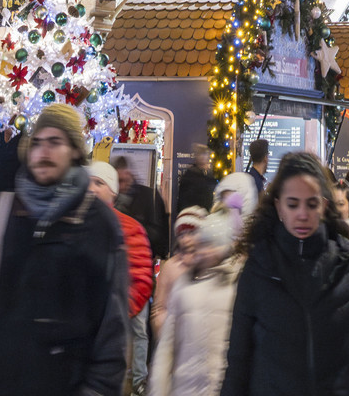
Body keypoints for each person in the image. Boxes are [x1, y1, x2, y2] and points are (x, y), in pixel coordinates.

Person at [0, 101, 128, 396]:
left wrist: (99, 389)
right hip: (0, 382)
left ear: (75, 150)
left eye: (56, 142)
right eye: (38, 142)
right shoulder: (2, 212)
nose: (44, 151)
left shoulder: (98, 222)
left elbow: (111, 324)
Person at [219, 150, 349, 396]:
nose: (302, 214)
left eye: (311, 204)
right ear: (279, 206)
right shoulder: (258, 270)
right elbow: (238, 361)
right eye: (293, 204)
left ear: (324, 206)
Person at [150, 206, 241, 396]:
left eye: (214, 244)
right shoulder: (183, 284)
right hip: (185, 387)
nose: (207, 251)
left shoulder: (235, 286)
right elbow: (166, 346)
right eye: (205, 243)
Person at [93, 158, 156, 396]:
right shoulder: (72, 224)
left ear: (113, 192)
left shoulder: (130, 228)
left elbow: (140, 277)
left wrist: (114, 312)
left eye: (98, 183)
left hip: (114, 325)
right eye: (87, 182)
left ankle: (138, 381)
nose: (91, 188)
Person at [155, 208, 206, 333]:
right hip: (175, 335)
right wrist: (162, 334)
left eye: (191, 233)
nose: (186, 239)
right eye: (182, 235)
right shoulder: (170, 266)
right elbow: (160, 307)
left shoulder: (210, 264)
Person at [119, 152, 171, 261]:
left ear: (130, 174)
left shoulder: (149, 196)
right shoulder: (113, 199)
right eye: (118, 181)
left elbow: (160, 231)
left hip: (144, 258)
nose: (122, 186)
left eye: (124, 180)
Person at [178, 144, 217, 219]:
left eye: (205, 154)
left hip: (206, 217)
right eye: (200, 154)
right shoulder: (189, 175)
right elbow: (183, 200)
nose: (203, 157)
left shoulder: (209, 175)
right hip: (192, 217)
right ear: (196, 156)